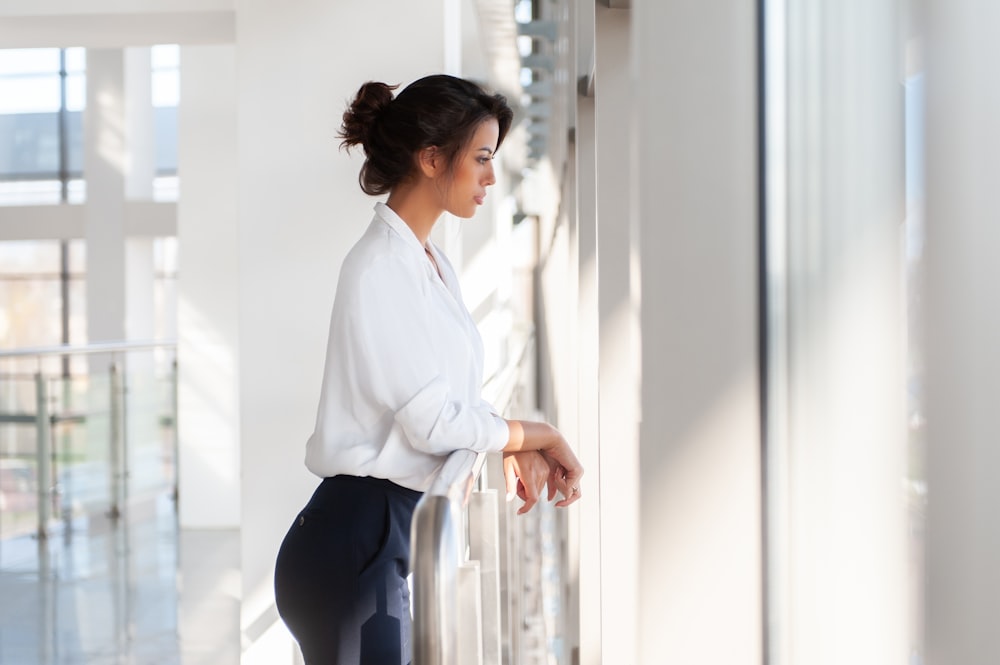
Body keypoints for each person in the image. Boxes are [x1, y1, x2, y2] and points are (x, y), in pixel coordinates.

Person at [273, 74, 583, 665]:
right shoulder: (379, 268)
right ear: (432, 157)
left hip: (388, 533)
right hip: (354, 541)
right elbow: (433, 424)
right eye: (483, 158)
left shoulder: (430, 260)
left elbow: (447, 397)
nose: (492, 177)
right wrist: (532, 434)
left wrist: (502, 439)